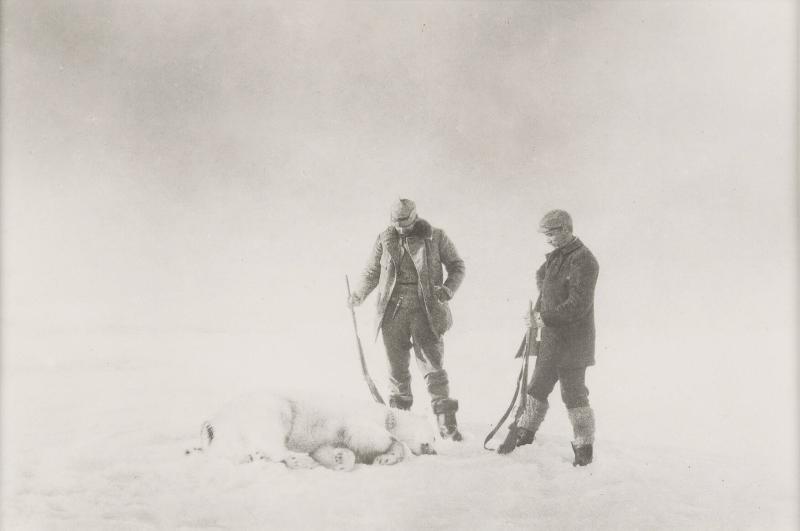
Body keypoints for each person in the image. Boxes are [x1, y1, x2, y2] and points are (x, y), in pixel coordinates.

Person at [348, 198, 466, 441]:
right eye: (395, 222)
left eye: (404, 221)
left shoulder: (436, 237)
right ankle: (401, 424)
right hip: (393, 313)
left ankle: (446, 425)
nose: (400, 226)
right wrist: (358, 294)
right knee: (396, 370)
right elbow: (372, 272)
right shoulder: (384, 239)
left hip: (427, 312)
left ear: (415, 216)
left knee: (433, 366)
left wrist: (447, 289)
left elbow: (457, 266)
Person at [498, 209, 599, 466]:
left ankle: (584, 450)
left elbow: (578, 304)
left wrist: (544, 318)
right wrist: (540, 311)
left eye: (551, 233)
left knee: (574, 394)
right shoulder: (557, 257)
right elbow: (544, 279)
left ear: (565, 229)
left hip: (574, 342)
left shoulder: (584, 260)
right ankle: (524, 438)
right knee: (537, 387)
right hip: (553, 340)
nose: (547, 238)